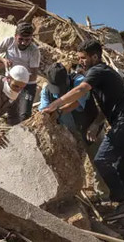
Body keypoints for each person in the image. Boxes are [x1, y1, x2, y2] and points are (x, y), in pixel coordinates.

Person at [42, 40, 124, 220]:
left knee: (101, 160)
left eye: (84, 58)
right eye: (79, 58)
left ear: (95, 57)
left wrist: (55, 105)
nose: (81, 61)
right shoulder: (105, 74)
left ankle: (123, 202)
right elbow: (102, 106)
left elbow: (81, 90)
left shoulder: (97, 71)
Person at [39, 62, 108, 195]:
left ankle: (105, 196)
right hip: (69, 134)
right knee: (71, 167)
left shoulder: (79, 81)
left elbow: (77, 101)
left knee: (100, 162)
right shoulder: (46, 91)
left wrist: (57, 110)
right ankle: (76, 194)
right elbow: (44, 111)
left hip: (90, 128)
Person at [0, 22, 40, 124]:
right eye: (20, 39)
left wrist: (19, 83)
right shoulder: (9, 41)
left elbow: (34, 75)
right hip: (10, 82)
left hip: (27, 84)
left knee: (24, 114)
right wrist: (3, 60)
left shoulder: (34, 51)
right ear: (15, 36)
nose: (23, 43)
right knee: (11, 111)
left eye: (27, 40)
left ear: (31, 39)